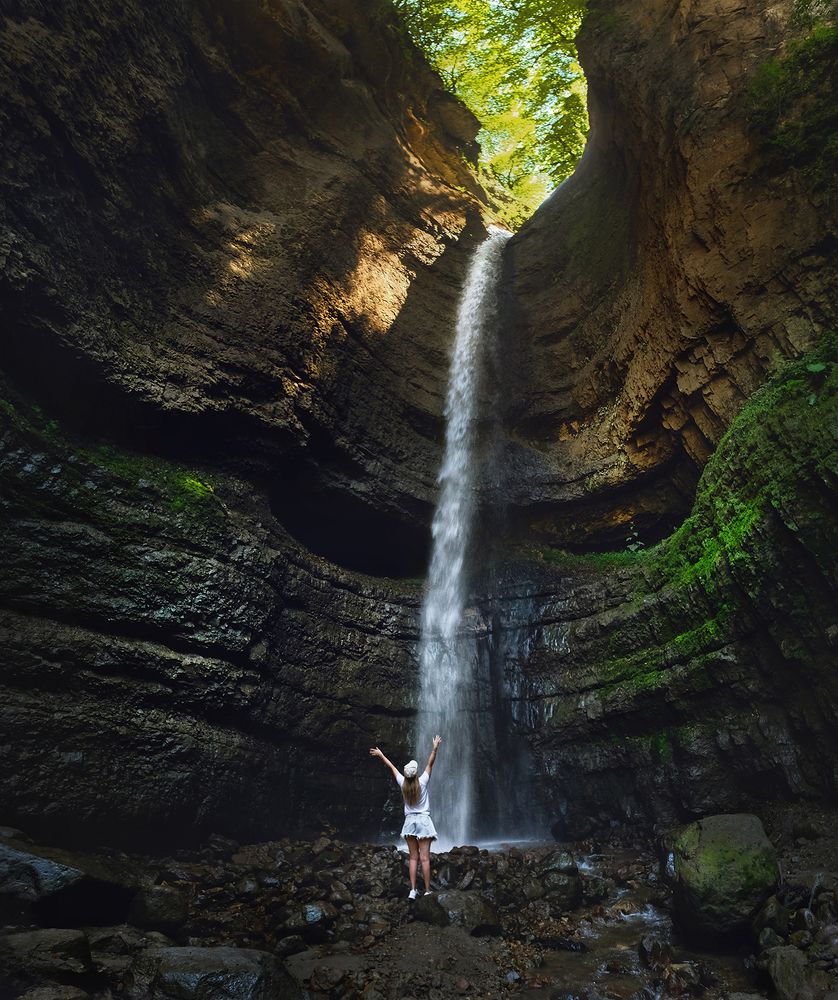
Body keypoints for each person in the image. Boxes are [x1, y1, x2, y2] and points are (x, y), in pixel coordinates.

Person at [369, 735, 442, 899]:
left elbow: (391, 766)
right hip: (424, 821)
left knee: (413, 858)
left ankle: (413, 890)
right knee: (425, 859)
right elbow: (431, 763)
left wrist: (381, 755)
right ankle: (428, 889)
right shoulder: (423, 781)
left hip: (409, 823)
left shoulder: (402, 782)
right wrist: (435, 747)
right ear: (416, 774)